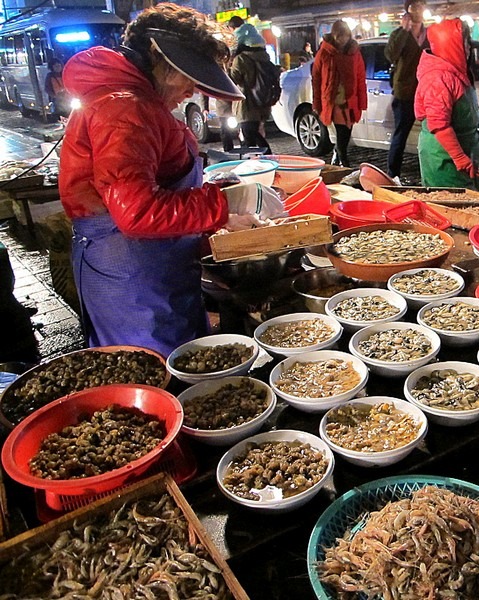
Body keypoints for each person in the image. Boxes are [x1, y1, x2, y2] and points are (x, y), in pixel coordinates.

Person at [58, 3, 284, 357]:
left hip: (154, 264)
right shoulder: (124, 109)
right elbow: (137, 212)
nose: (193, 90)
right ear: (159, 61)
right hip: (131, 274)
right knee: (156, 370)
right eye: (188, 76)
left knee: (185, 359)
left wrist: (215, 219)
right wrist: (221, 206)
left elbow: (159, 189)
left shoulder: (142, 102)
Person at [415, 18, 479, 188]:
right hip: (444, 158)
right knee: (449, 208)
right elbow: (439, 125)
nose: (467, 49)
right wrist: (459, 158)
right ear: (451, 45)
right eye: (464, 44)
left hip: (466, 152)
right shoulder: (438, 77)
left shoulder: (457, 74)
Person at [311, 20, 367, 167]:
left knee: (346, 132)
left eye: (346, 36)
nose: (343, 40)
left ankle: (338, 156)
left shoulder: (354, 53)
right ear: (334, 35)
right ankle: (344, 163)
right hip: (333, 101)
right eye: (340, 36)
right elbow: (316, 79)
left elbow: (360, 78)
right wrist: (316, 103)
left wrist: (362, 101)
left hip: (350, 100)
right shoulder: (324, 52)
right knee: (342, 133)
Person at [385, 0, 428, 182]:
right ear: (407, 11)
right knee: (400, 136)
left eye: (420, 6)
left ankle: (430, 171)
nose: (418, 10)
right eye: (414, 7)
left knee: (431, 133)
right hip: (405, 93)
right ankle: (393, 174)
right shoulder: (398, 34)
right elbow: (391, 55)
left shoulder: (430, 34)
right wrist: (404, 30)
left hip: (427, 91)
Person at [228, 17, 273, 153]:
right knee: (253, 135)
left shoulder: (240, 59)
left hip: (246, 106)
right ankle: (264, 160)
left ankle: (267, 159)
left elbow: (232, 80)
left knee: (249, 137)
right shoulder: (263, 55)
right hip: (261, 102)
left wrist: (227, 63)